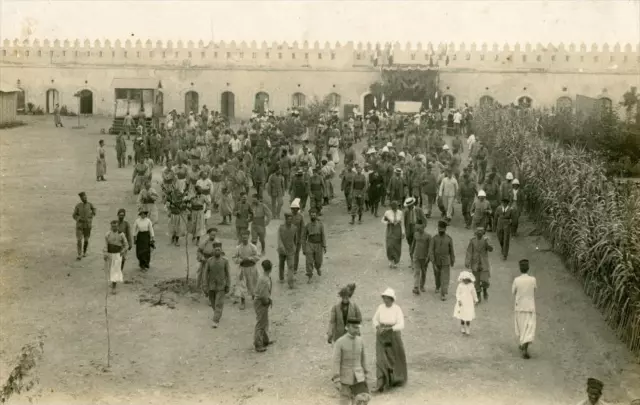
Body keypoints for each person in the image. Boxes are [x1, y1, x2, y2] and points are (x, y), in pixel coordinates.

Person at [372, 288, 407, 392]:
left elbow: (401, 324)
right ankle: (381, 383)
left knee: (393, 357)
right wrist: (378, 327)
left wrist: (390, 329)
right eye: (384, 298)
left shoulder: (397, 309)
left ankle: (394, 380)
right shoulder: (380, 307)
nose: (386, 300)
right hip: (382, 335)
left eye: (388, 298)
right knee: (381, 357)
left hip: (393, 335)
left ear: (392, 299)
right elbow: (374, 319)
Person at [332, 318, 371, 405]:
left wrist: (367, 376)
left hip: (358, 378)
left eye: (358, 327)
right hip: (344, 379)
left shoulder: (360, 341)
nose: (357, 330)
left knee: (362, 401)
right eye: (354, 327)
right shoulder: (339, 342)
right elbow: (336, 362)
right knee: (344, 402)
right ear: (347, 327)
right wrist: (337, 380)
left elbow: (364, 360)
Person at [512, 259, 537, 359]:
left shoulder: (516, 280)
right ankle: (524, 347)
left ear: (520, 268)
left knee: (521, 327)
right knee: (529, 327)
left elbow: (513, 291)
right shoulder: (533, 280)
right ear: (528, 268)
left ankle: (523, 344)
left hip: (519, 306)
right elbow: (534, 290)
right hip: (530, 306)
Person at [204, 241, 230, 329]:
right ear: (213, 251)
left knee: (219, 303)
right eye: (216, 250)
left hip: (221, 285)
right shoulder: (209, 261)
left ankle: (215, 320)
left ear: (221, 250)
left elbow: (228, 274)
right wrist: (205, 285)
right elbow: (205, 274)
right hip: (211, 286)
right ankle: (217, 313)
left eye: (219, 249)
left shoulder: (225, 261)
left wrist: (228, 285)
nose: (217, 251)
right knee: (213, 302)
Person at [232, 229, 260, 310]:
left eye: (246, 238)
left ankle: (255, 299)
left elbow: (257, 257)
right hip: (242, 269)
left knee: (253, 284)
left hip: (252, 269)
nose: (244, 239)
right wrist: (241, 260)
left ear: (248, 237)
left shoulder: (253, 247)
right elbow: (234, 258)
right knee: (242, 285)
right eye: (243, 237)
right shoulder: (238, 248)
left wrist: (250, 258)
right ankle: (243, 302)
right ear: (241, 237)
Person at [465, 227, 493, 302]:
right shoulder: (472, 241)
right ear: (476, 233)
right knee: (476, 281)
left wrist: (488, 243)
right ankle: (478, 295)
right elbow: (469, 252)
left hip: (484, 263)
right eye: (478, 232)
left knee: (485, 280)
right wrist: (467, 261)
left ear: (483, 233)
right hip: (475, 263)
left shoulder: (485, 240)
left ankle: (484, 290)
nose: (480, 233)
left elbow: (491, 249)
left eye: (481, 232)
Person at [429, 220, 455, 301]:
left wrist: (452, 260)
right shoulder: (434, 238)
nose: (441, 232)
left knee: (445, 277)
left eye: (442, 230)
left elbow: (451, 250)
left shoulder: (449, 239)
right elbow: (431, 251)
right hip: (436, 261)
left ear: (445, 230)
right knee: (437, 275)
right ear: (438, 229)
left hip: (445, 261)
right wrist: (433, 262)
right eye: (439, 230)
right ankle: (437, 286)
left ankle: (443, 293)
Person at [103, 220, 129, 294]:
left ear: (118, 226)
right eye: (113, 226)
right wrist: (105, 253)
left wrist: (123, 251)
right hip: (110, 254)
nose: (114, 228)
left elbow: (126, 245)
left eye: (116, 226)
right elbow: (105, 245)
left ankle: (114, 286)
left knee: (115, 270)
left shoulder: (121, 234)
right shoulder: (108, 234)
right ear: (111, 226)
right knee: (110, 270)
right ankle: (112, 283)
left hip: (117, 254)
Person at [301, 209, 327, 283]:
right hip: (310, 244)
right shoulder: (307, 225)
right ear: (310, 216)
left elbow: (323, 235)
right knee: (309, 261)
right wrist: (304, 248)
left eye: (314, 215)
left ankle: (318, 267)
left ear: (316, 215)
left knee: (318, 261)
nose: (313, 216)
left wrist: (324, 246)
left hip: (318, 244)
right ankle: (309, 275)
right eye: (311, 215)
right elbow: (303, 237)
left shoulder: (320, 225)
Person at [254, 259, 274, 352]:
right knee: (261, 323)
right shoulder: (264, 279)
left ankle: (265, 340)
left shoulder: (265, 277)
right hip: (261, 302)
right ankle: (258, 344)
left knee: (264, 321)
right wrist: (267, 302)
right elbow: (262, 295)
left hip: (262, 300)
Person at [453, 270, 479, 335]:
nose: (465, 281)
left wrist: (476, 300)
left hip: (469, 302)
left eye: (467, 280)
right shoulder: (460, 285)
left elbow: (474, 293)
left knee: (468, 315)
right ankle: (462, 326)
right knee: (462, 315)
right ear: (462, 279)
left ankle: (467, 327)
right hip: (462, 302)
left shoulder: (471, 285)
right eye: (464, 280)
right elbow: (457, 293)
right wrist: (459, 300)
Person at [72, 192, 96, 260]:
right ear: (81, 199)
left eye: (85, 197)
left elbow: (94, 210)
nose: (84, 198)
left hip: (88, 225)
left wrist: (91, 216)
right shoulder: (78, 206)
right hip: (79, 225)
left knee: (86, 239)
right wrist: (78, 218)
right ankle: (79, 254)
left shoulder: (90, 204)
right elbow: (74, 215)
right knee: (79, 239)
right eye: (82, 198)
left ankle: (84, 252)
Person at [403, 197, 426, 265]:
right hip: (409, 230)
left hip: (417, 229)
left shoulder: (419, 210)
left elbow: (424, 221)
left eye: (409, 206)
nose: (408, 207)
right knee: (411, 246)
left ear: (412, 204)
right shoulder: (406, 211)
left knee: (417, 246)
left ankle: (417, 261)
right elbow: (405, 222)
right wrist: (406, 232)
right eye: (407, 206)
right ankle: (412, 261)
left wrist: (421, 228)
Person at [277, 213, 297, 288]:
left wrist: (294, 247)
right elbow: (279, 239)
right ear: (286, 219)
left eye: (291, 219)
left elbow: (295, 239)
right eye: (288, 219)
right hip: (282, 250)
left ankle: (290, 282)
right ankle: (281, 278)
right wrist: (281, 247)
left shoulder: (294, 228)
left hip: (291, 250)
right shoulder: (281, 228)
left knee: (291, 266)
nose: (290, 221)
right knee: (281, 264)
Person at [197, 227, 219, 294]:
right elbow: (199, 251)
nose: (213, 236)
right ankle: (204, 291)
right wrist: (201, 257)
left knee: (213, 278)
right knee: (204, 276)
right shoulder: (205, 242)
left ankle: (212, 292)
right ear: (209, 234)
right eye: (212, 235)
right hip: (205, 261)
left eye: (214, 235)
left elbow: (220, 253)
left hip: (213, 262)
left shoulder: (217, 243)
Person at [411, 222, 431, 295]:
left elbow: (430, 248)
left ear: (423, 227)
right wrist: (411, 252)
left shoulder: (428, 236)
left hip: (424, 258)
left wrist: (428, 257)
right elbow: (413, 244)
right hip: (416, 256)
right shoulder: (415, 234)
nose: (418, 230)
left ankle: (422, 285)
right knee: (417, 272)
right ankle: (416, 287)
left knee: (424, 272)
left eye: (419, 228)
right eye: (417, 228)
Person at [382, 201, 403, 268]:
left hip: (397, 229)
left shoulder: (400, 212)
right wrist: (388, 222)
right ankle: (390, 260)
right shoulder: (387, 212)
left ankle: (396, 261)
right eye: (393, 207)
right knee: (389, 245)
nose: (395, 208)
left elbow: (401, 223)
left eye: (396, 207)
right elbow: (383, 220)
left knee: (397, 245)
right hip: (390, 229)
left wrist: (403, 232)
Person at [290, 198, 305, 273]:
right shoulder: (289, 216)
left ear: (298, 209)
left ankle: (295, 268)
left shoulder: (300, 217)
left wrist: (302, 236)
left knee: (296, 254)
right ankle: (291, 266)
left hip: (298, 237)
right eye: (293, 209)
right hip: (290, 237)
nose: (294, 210)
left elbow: (303, 227)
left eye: (295, 208)